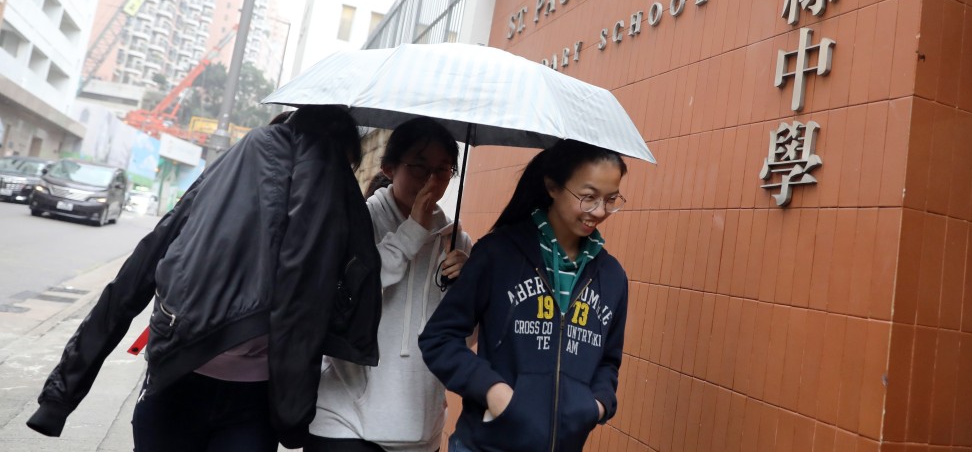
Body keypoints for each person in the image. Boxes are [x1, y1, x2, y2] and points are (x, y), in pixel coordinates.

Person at [26, 105, 383, 451]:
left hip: (184, 373)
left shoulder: (238, 168)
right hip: (237, 394)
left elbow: (142, 265)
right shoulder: (319, 189)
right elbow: (311, 300)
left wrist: (61, 395)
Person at [419, 139, 629, 452]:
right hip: (484, 446)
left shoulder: (612, 277)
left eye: (611, 199)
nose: (599, 211)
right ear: (552, 187)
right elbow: (439, 338)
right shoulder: (498, 254)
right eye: (588, 198)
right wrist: (493, 390)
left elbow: (608, 362)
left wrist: (597, 404)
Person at [308, 116, 472, 452]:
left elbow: (464, 338)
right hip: (342, 419)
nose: (430, 179)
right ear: (388, 168)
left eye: (443, 169)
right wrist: (413, 230)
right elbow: (347, 298)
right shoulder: (358, 222)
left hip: (419, 429)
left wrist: (468, 290)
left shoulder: (457, 242)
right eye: (418, 166)